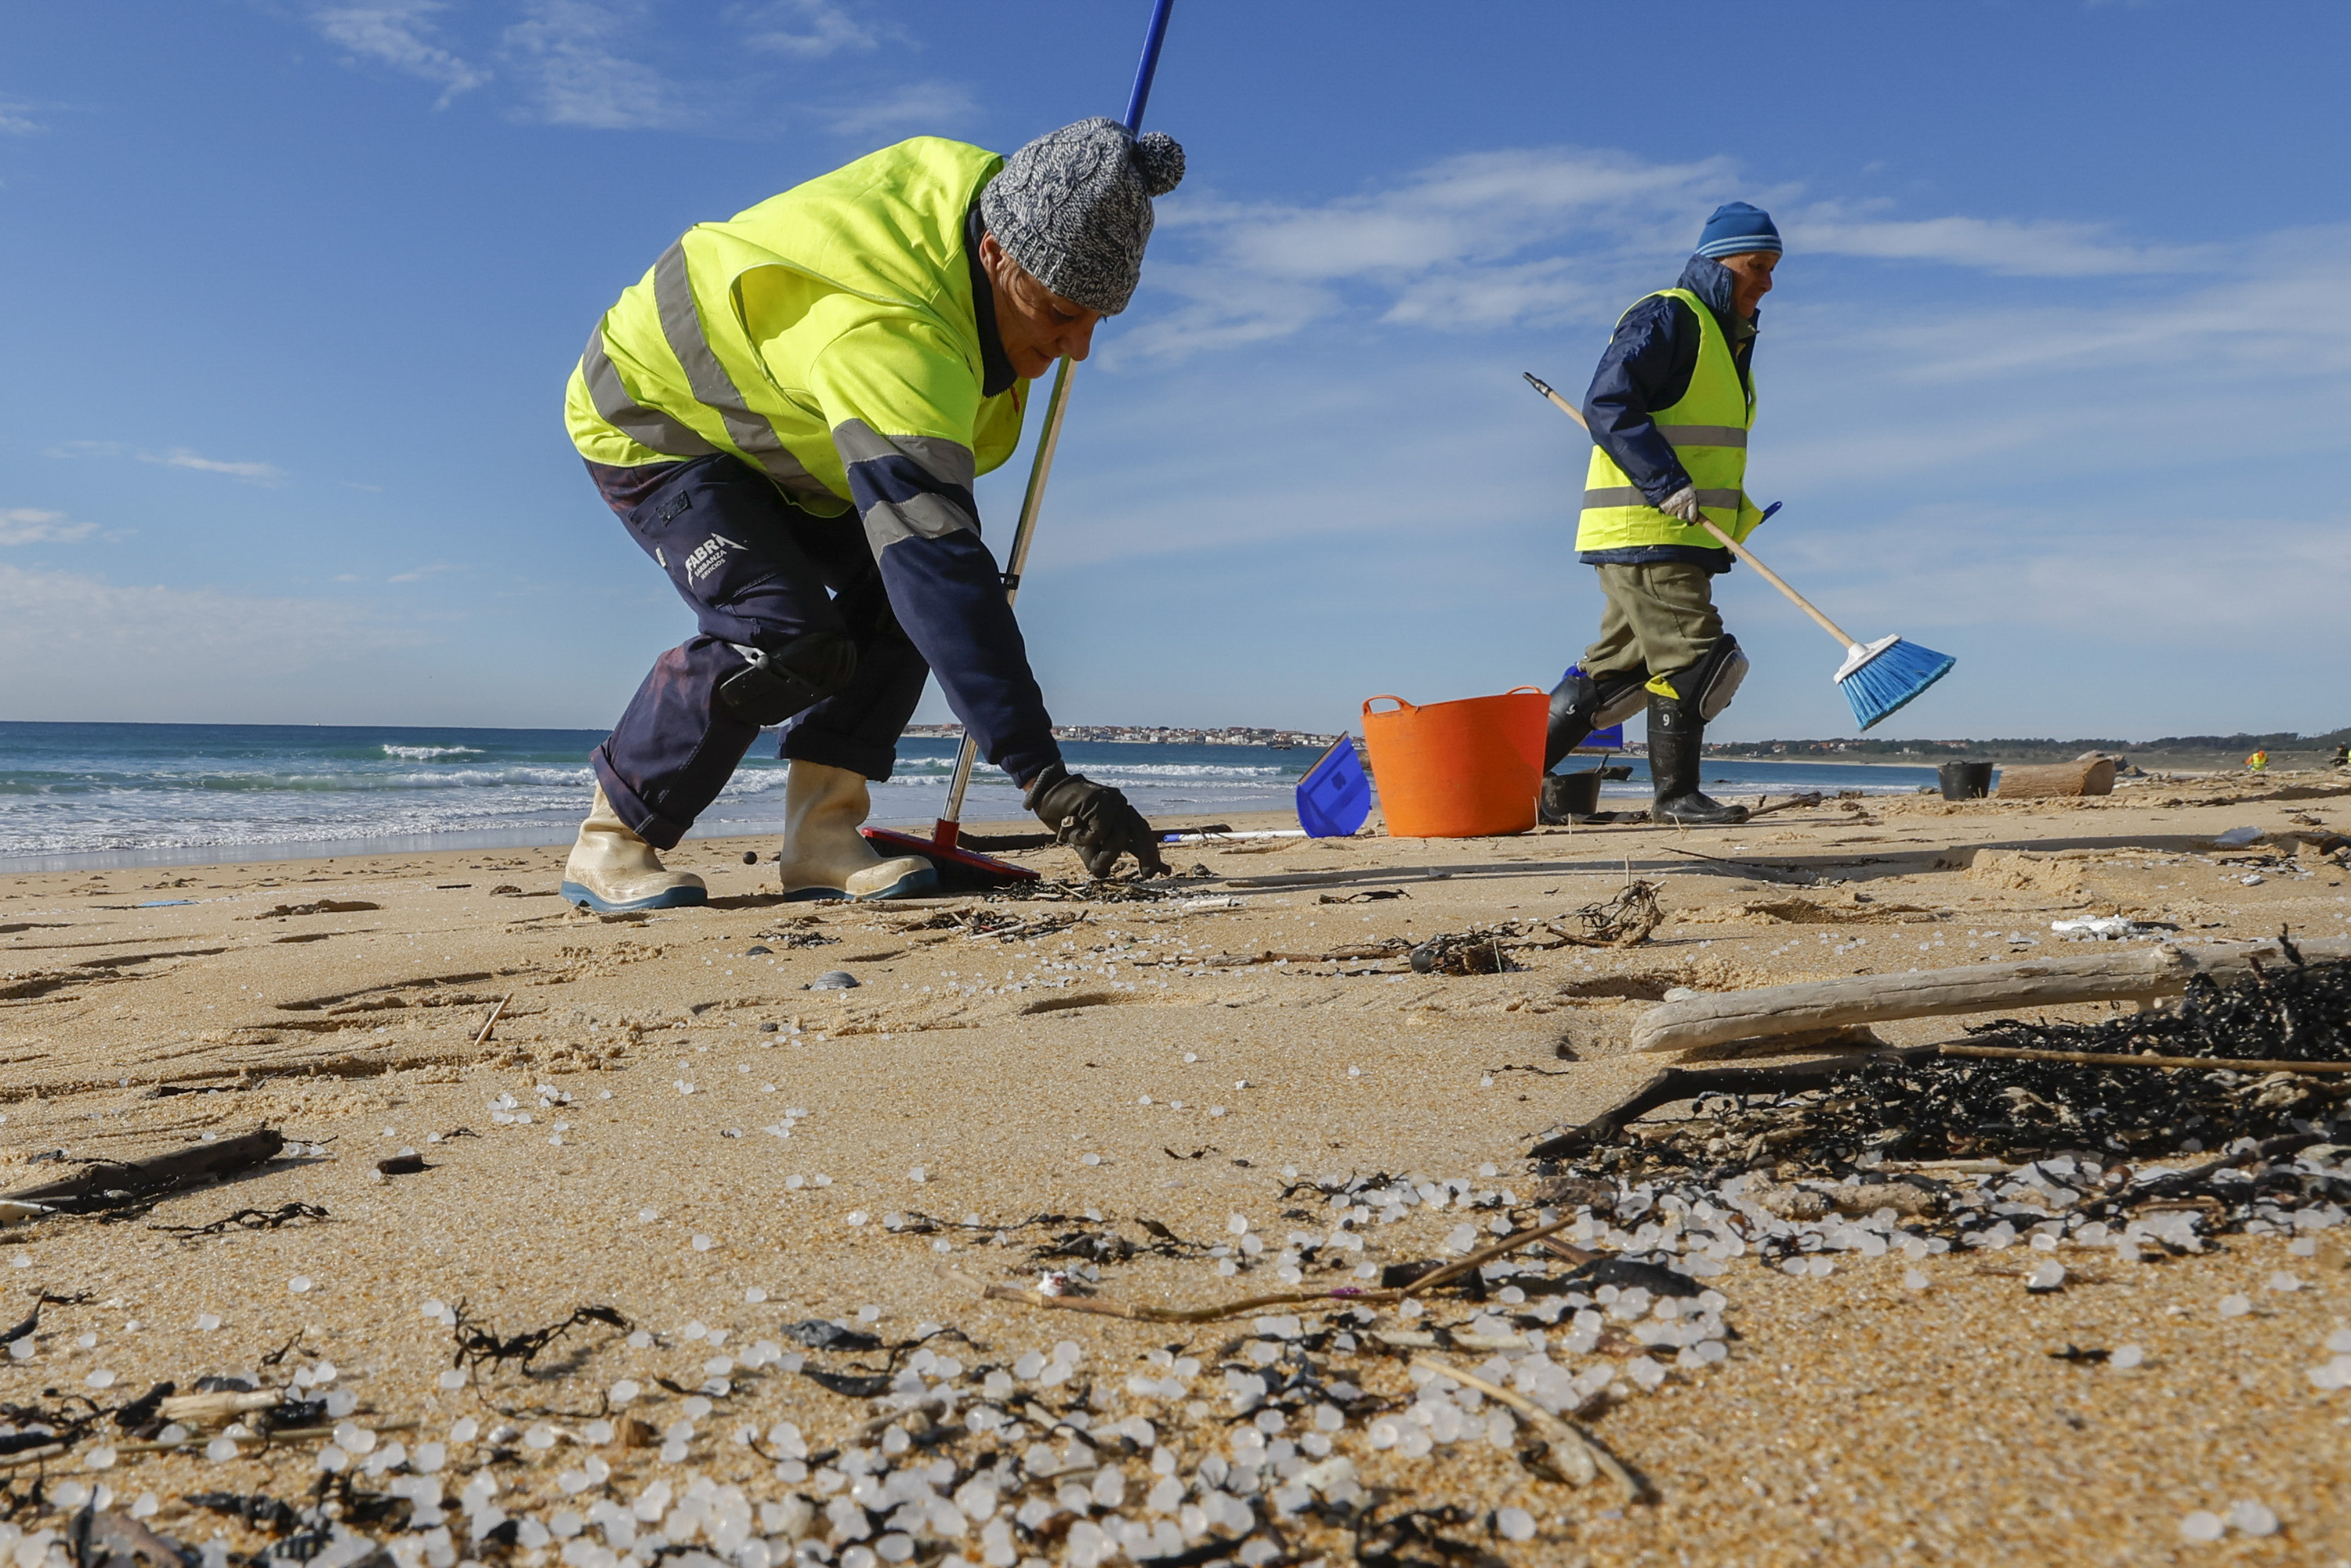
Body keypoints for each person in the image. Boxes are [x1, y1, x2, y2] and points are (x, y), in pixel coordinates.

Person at [556, 121, 1183, 911]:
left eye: (1098, 319)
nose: (1079, 348)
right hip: (658, 412)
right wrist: (1043, 777)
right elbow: (940, 565)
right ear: (995, 256)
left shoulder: (1005, 198)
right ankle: (612, 838)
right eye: (1061, 311)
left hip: (792, 429)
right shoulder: (895, 330)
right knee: (784, 634)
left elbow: (924, 568)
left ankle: (821, 836)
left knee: (896, 596)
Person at [1541, 202, 1780, 827]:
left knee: (1616, 676)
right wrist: (1666, 482)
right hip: (1650, 528)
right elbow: (1609, 401)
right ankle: (1676, 796)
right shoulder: (1672, 316)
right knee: (1701, 659)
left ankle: (1507, 777)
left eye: (1774, 268)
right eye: (1757, 265)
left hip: (1671, 533)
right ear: (1718, 264)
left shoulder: (1726, 337)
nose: (1768, 282)